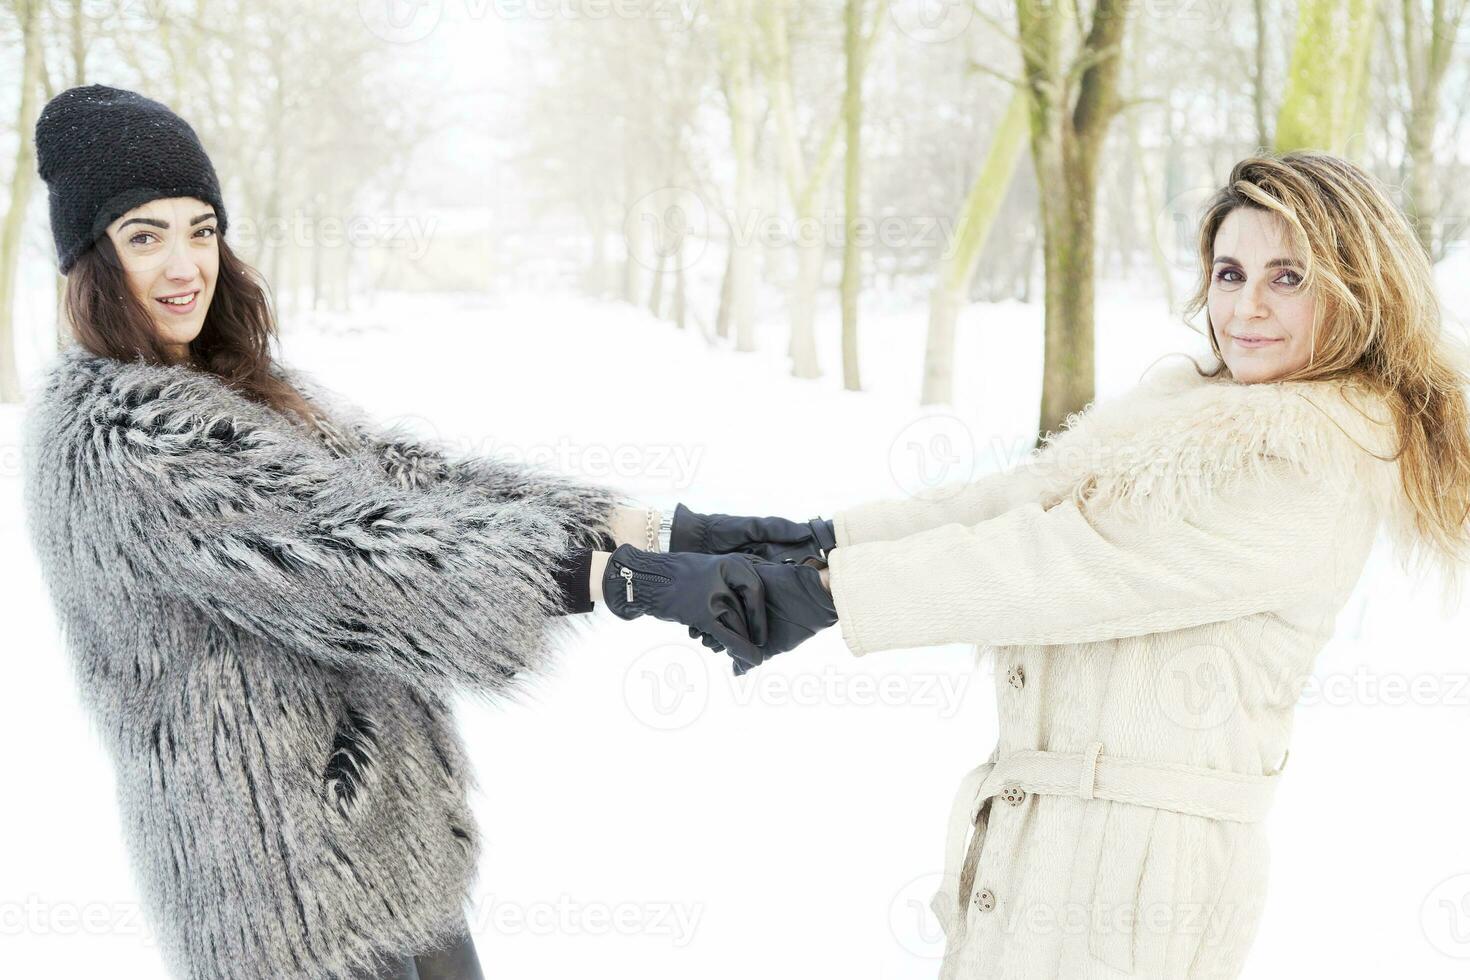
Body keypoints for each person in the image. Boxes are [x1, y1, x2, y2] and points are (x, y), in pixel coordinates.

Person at [20, 84, 775, 980]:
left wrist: (655, 529)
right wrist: (616, 581)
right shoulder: (118, 441)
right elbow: (356, 553)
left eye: (201, 229)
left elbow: (402, 483)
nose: (185, 264)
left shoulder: (232, 385)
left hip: (387, 850)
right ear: (89, 259)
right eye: (145, 235)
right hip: (285, 899)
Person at [666, 151, 1470, 978]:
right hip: (1062, 849)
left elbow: (1057, 563)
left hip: (1140, 889)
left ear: (1355, 288)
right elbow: (1022, 502)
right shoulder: (1189, 420)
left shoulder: (1311, 462)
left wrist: (823, 593)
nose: (1247, 307)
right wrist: (809, 540)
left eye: (1288, 277)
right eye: (1230, 273)